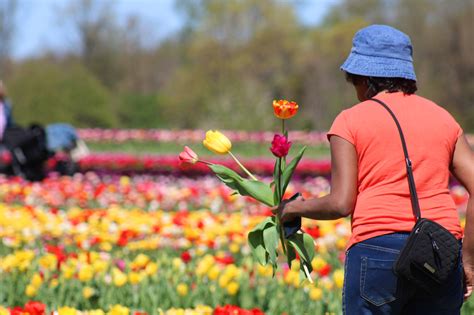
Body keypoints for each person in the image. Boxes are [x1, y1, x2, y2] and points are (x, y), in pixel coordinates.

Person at [273, 24, 473, 314]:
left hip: (377, 250)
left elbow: (341, 203)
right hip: (440, 253)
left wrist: (292, 209)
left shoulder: (350, 121)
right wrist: (468, 260)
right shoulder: (444, 119)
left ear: (363, 78)